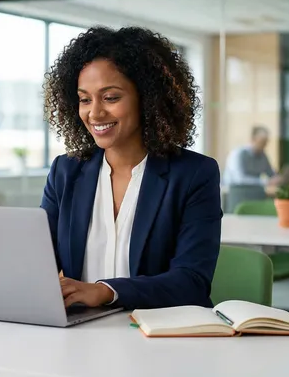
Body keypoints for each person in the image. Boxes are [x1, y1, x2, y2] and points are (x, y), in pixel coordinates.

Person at [39, 26, 222, 311]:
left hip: (160, 338)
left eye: (111, 98)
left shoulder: (193, 175)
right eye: (85, 99)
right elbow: (38, 264)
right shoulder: (65, 172)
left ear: (147, 99)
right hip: (83, 337)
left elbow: (191, 281)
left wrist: (105, 292)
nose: (95, 113)